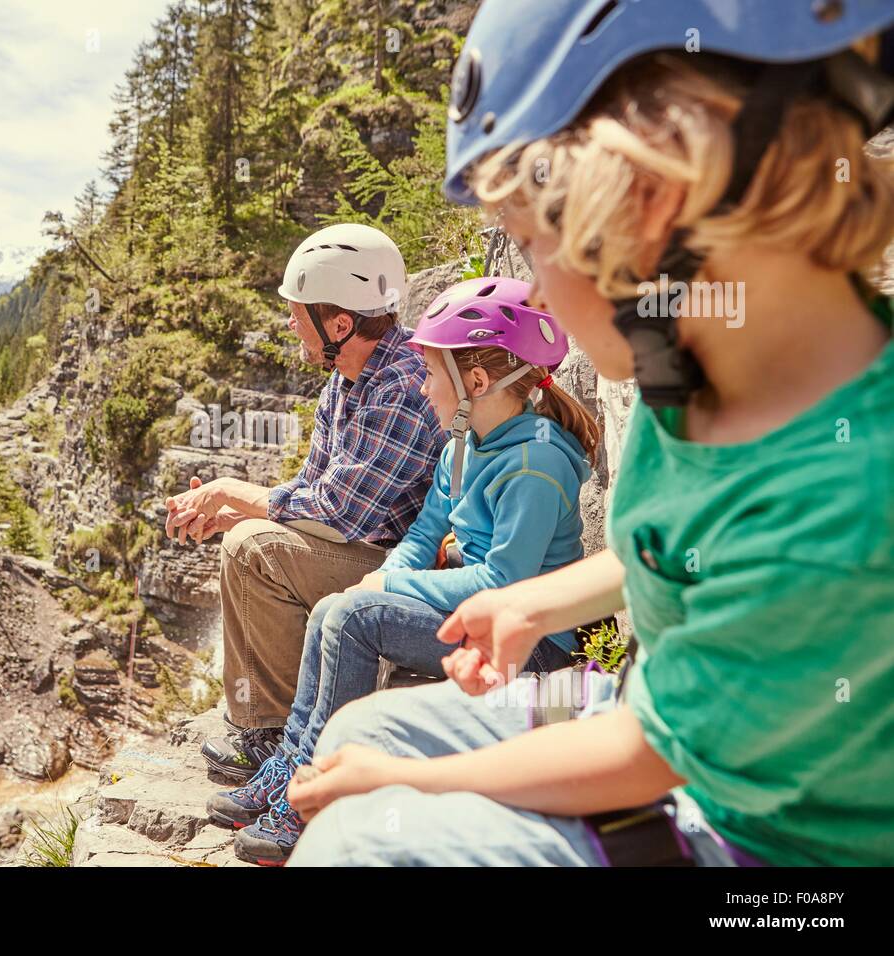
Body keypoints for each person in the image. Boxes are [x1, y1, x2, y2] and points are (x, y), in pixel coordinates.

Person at [286, 0, 894, 867]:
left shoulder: (845, 487)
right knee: (365, 727)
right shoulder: (694, 375)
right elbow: (682, 544)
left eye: (532, 247)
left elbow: (648, 754)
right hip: (671, 736)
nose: (531, 294)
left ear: (646, 207)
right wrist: (539, 601)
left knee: (366, 841)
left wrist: (414, 787)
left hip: (768, 846)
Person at [211, 277, 601, 865]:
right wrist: (385, 574)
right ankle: (293, 765)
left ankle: (313, 799)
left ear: (476, 383)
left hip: (531, 645)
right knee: (335, 608)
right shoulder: (461, 445)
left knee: (352, 619)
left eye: (431, 375)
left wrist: (389, 585)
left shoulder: (535, 464)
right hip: (476, 618)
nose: (422, 388)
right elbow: (424, 532)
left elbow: (504, 584)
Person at [163, 223, 445, 781]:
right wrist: (229, 511)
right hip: (367, 547)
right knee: (247, 538)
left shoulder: (402, 385)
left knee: (253, 549)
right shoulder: (347, 378)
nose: (291, 322)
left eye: (300, 312)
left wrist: (229, 495)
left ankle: (272, 736)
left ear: (340, 323)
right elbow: (314, 489)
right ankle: (269, 725)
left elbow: (341, 511)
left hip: (399, 568)